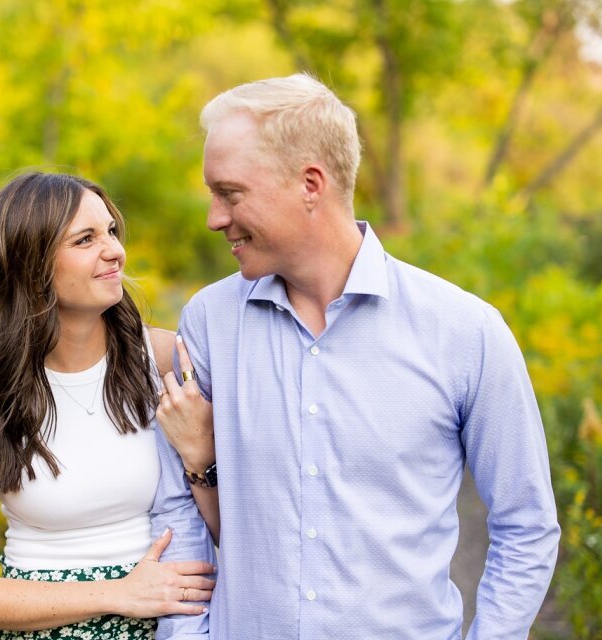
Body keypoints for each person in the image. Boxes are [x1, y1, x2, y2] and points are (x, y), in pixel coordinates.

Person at [152, 74, 561, 639]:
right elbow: (177, 507)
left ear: (311, 184)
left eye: (231, 193)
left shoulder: (467, 332)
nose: (214, 217)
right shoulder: (209, 322)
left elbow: (527, 526)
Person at [0, 172, 216, 640]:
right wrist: (116, 593)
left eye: (111, 232)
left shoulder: (166, 362)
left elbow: (244, 516)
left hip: (170, 626)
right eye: (85, 239)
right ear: (31, 265)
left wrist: (201, 458)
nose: (115, 250)